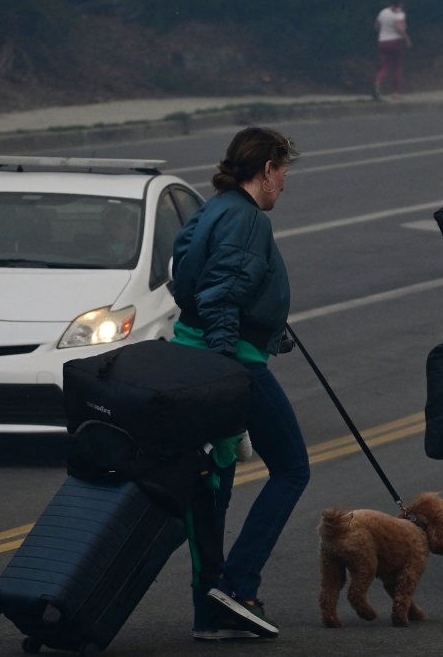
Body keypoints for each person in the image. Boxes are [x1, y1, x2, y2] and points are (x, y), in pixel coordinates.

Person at [170, 127, 310, 640]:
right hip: (230, 363)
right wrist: (231, 365)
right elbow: (221, 294)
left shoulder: (215, 207)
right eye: (284, 171)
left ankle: (211, 615)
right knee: (293, 468)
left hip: (196, 351)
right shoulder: (248, 219)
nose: (285, 183)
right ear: (268, 168)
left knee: (214, 485)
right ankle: (237, 585)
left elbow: (185, 272)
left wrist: (268, 326)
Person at [373, 0, 411, 100]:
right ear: (399, 5)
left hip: (382, 41)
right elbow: (400, 29)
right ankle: (395, 92)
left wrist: (384, 32)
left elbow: (376, 26)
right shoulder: (399, 15)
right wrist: (407, 39)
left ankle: (378, 83)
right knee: (396, 67)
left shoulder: (383, 12)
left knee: (384, 67)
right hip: (395, 42)